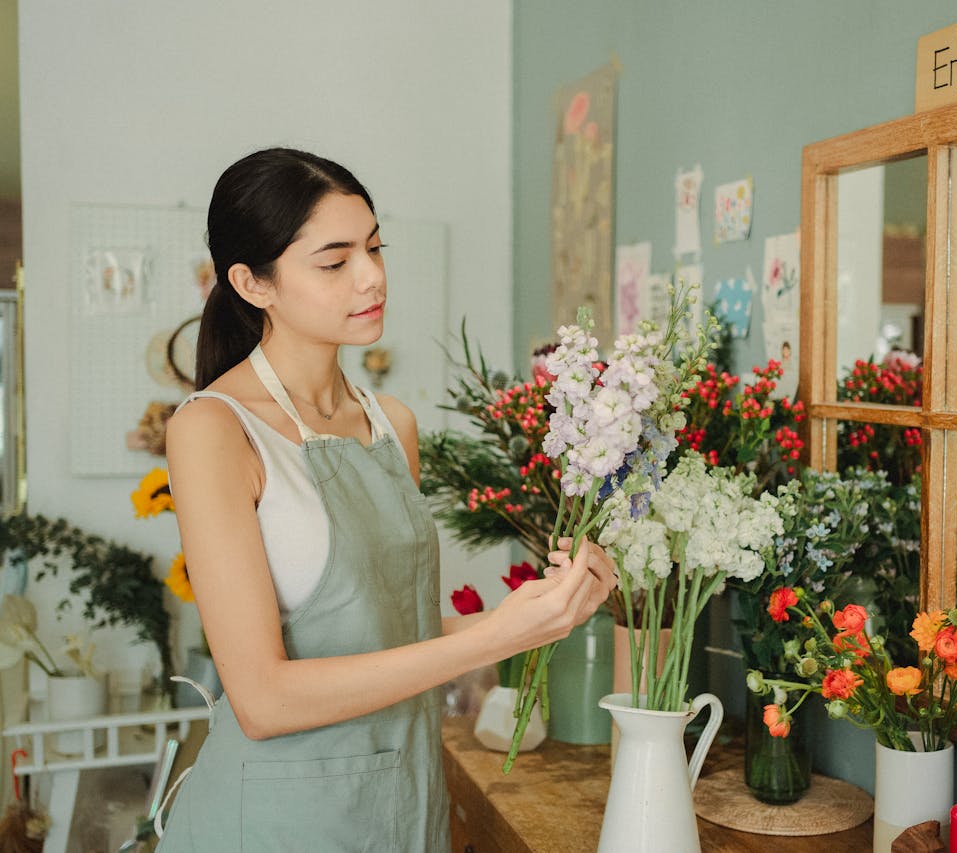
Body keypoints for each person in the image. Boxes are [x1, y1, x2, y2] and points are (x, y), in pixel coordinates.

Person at [157, 148, 617, 851]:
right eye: (334, 261)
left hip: (404, 808)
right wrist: (496, 637)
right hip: (277, 826)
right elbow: (262, 698)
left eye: (374, 247)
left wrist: (539, 618)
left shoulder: (390, 422)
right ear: (254, 283)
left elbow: (390, 631)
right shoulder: (214, 428)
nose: (372, 276)